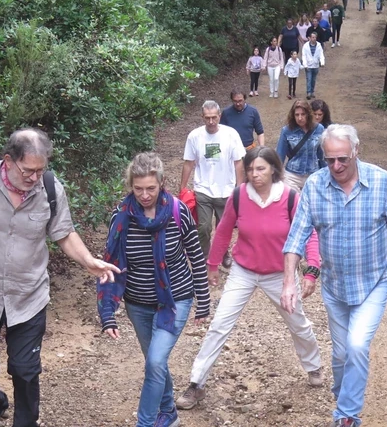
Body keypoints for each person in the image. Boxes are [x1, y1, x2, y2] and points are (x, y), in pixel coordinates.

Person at [0, 128, 120, 427]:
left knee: (25, 371)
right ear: (8, 161)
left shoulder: (51, 189)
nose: (34, 177)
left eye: (41, 170)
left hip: (29, 296)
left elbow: (64, 233)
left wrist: (88, 261)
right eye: (28, 170)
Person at [281, 124, 387, 427]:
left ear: (356, 151)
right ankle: (343, 394)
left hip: (374, 280)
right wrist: (288, 283)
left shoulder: (383, 183)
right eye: (330, 160)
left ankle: (346, 415)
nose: (336, 166)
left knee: (357, 345)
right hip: (335, 284)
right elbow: (296, 237)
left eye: (343, 159)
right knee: (340, 354)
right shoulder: (315, 185)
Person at [175, 146, 323, 411]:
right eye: (251, 169)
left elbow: (308, 233)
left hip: (280, 273)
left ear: (274, 169)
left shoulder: (290, 197)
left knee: (297, 322)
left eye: (261, 168)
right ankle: (197, 383)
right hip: (243, 271)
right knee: (219, 324)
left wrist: (312, 268)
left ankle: (313, 366)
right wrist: (212, 264)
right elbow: (223, 231)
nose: (255, 174)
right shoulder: (239, 195)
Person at [98, 152, 211, 427]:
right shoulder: (121, 217)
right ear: (131, 186)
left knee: (156, 361)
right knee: (154, 362)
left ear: (161, 183)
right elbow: (109, 265)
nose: (145, 195)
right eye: (138, 189)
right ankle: (168, 412)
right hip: (137, 302)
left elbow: (195, 255)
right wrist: (107, 313)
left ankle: (146, 422)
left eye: (151, 188)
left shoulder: (177, 211)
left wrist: (203, 300)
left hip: (175, 299)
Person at [182, 100, 246, 266]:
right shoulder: (194, 136)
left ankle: (223, 254)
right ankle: (204, 256)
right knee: (203, 227)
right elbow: (188, 162)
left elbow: (238, 162)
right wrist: (182, 188)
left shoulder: (231, 134)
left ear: (219, 116)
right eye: (207, 118)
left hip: (226, 189)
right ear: (202, 117)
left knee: (223, 227)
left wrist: (239, 188)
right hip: (203, 188)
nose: (211, 121)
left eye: (214, 117)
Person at [276, 100, 325, 191]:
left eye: (303, 114)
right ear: (293, 116)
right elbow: (279, 156)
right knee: (293, 199)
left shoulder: (319, 129)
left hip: (313, 174)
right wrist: (277, 176)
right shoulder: (287, 131)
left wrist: (327, 172)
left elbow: (322, 155)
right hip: (292, 175)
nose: (300, 118)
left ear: (308, 114)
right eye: (297, 115)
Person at [301, 32, 325, 100]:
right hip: (308, 65)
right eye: (312, 37)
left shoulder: (319, 45)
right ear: (310, 38)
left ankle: (312, 91)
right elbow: (304, 56)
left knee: (313, 80)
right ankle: (308, 92)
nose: (314, 39)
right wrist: (305, 64)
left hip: (315, 65)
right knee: (309, 79)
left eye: (315, 37)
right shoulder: (305, 46)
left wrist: (322, 62)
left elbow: (321, 54)